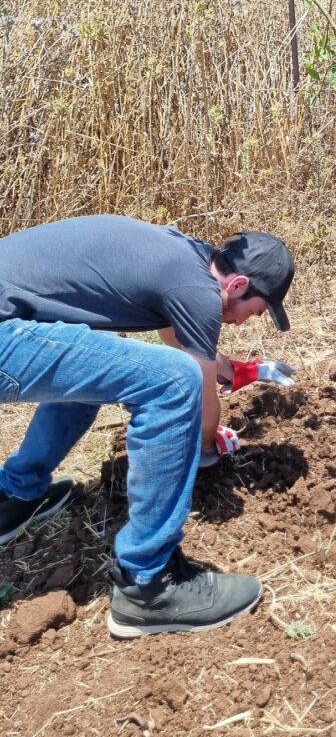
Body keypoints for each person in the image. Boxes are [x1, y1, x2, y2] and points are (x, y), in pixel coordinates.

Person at [0, 216, 294, 637]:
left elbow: (174, 337)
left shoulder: (184, 260)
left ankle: (15, 493)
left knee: (104, 368)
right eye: (257, 311)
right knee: (173, 382)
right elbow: (194, 390)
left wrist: (229, 369)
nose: (246, 321)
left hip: (11, 315)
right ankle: (149, 585)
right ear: (239, 285)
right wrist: (211, 447)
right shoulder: (199, 292)